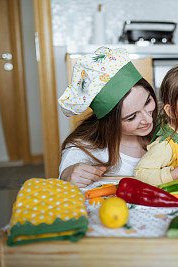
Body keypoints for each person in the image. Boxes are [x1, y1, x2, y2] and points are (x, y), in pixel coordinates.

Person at [57, 47, 157, 188]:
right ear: (110, 122)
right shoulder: (82, 151)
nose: (148, 119)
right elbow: (64, 189)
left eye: (148, 101)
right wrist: (67, 175)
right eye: (131, 117)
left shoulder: (166, 128)